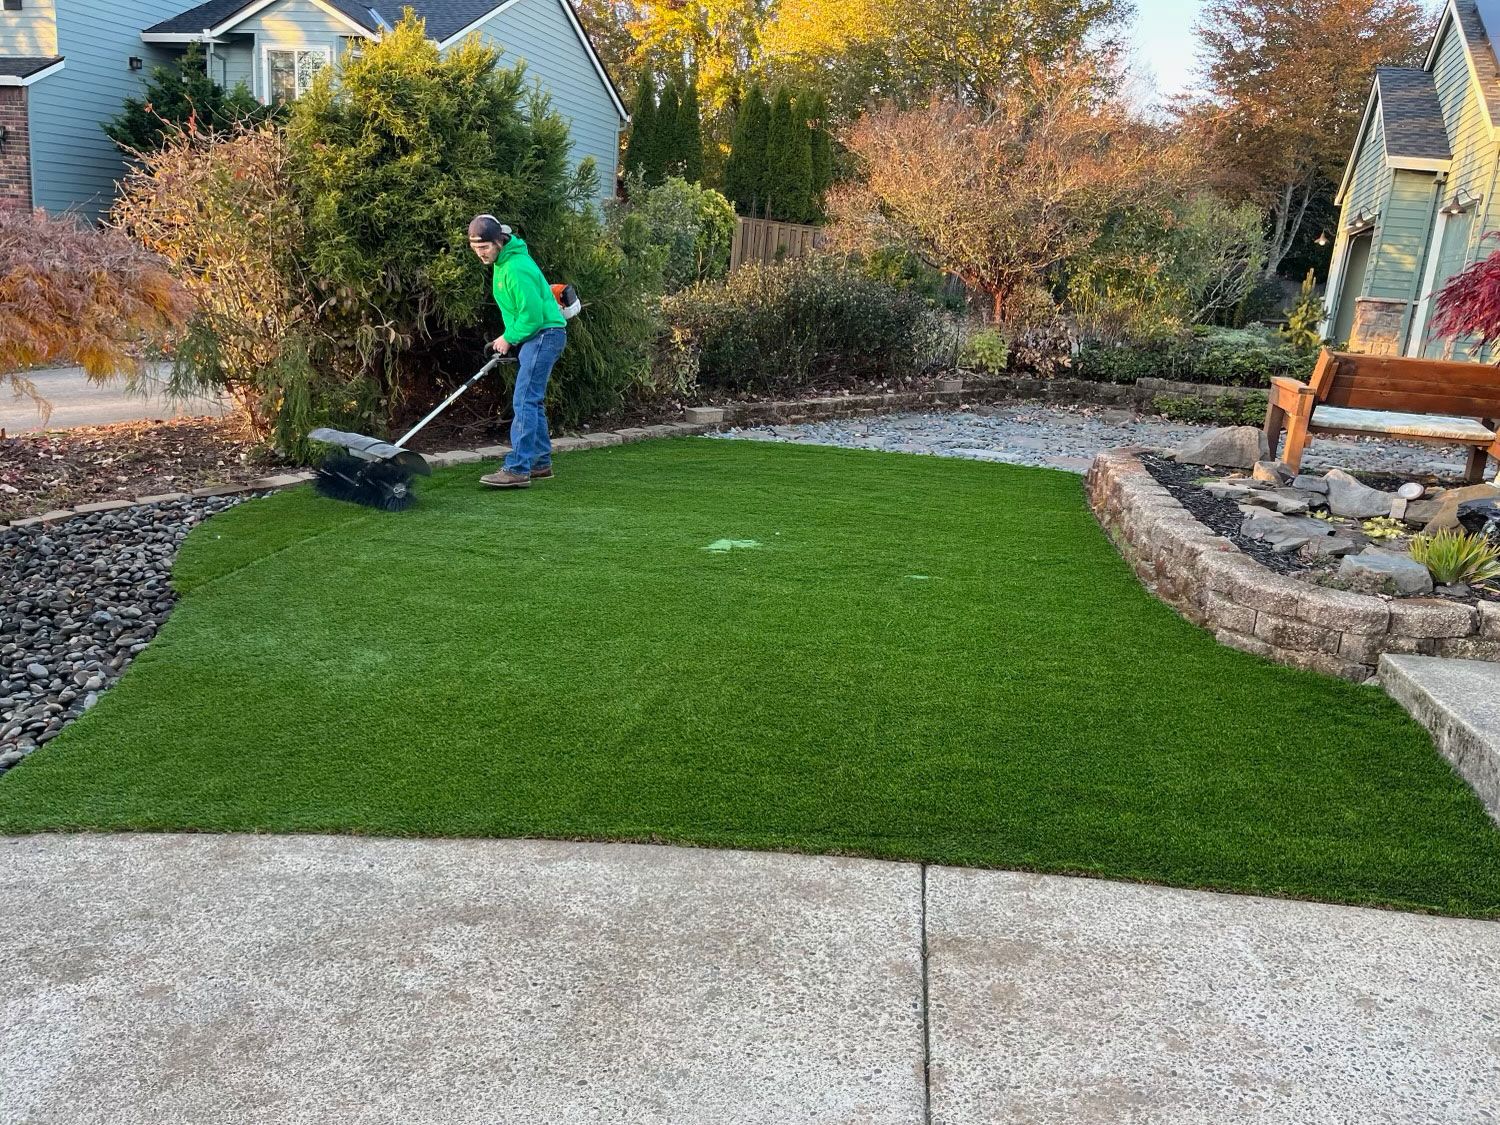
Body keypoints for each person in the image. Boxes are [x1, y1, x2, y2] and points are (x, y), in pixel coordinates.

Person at [466, 214, 567, 489]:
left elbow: (532, 316)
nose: (480, 253)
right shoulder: (502, 262)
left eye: (484, 247)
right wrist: (509, 337)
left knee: (524, 400)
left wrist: (508, 338)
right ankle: (540, 463)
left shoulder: (515, 267)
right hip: (538, 336)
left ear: (499, 241)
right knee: (532, 400)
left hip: (544, 334)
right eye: (475, 248)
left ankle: (517, 469)